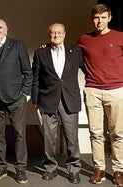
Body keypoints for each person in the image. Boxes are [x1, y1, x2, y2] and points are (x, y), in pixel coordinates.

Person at [32, 23, 84, 184]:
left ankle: (74, 168)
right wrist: (35, 100)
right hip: (47, 100)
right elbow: (36, 78)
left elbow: (89, 68)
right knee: (49, 138)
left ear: (65, 34)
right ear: (49, 35)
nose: (56, 35)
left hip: (69, 100)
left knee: (72, 138)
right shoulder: (41, 52)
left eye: (59, 32)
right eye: (53, 33)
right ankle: (50, 168)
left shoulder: (75, 51)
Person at [0, 18, 33, 184]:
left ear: (6, 29)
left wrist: (25, 93)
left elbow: (27, 71)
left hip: (16, 98)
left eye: (0, 27)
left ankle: (20, 170)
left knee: (19, 134)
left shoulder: (18, 45)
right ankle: (1, 166)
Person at [77, 4, 123, 186]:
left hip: (116, 90)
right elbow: (71, 56)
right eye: (96, 18)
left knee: (117, 134)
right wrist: (47, 47)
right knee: (96, 133)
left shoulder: (120, 37)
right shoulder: (84, 39)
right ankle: (99, 169)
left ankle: (119, 170)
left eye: (103, 17)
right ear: (91, 19)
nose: (99, 21)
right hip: (93, 90)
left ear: (109, 18)